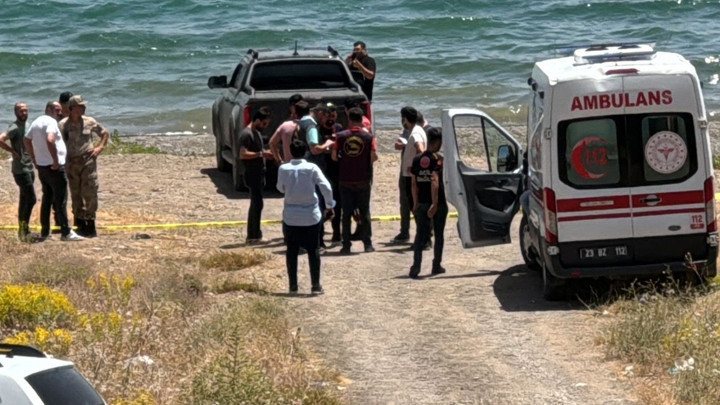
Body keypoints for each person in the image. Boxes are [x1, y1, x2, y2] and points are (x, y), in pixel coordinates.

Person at [276, 139, 335, 295]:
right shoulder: (312, 167)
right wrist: (329, 205)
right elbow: (326, 186)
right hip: (311, 215)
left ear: (291, 152)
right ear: (305, 152)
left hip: (291, 216)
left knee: (291, 252)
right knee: (313, 251)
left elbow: (280, 188)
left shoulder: (283, 168)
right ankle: (315, 285)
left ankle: (293, 286)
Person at [24, 101, 84, 241]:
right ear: (49, 110)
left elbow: (27, 140)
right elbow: (50, 140)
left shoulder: (37, 121)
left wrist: (34, 158)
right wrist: (55, 160)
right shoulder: (51, 122)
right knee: (61, 199)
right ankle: (66, 232)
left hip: (43, 166)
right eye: (57, 110)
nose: (60, 113)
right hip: (54, 167)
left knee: (47, 198)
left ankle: (45, 231)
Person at [58, 95, 110, 238]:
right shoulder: (63, 124)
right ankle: (79, 222)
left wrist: (99, 148)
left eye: (83, 106)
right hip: (71, 163)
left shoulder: (89, 121)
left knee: (90, 191)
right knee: (76, 193)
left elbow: (104, 133)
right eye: (80, 106)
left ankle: (90, 222)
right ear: (71, 108)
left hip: (88, 161)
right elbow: (58, 143)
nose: (83, 108)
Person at [332, 107, 377, 254]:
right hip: (363, 179)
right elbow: (374, 157)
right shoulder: (369, 137)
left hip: (345, 179)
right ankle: (367, 244)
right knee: (365, 212)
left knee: (346, 214)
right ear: (361, 119)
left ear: (349, 119)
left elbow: (334, 157)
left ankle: (346, 245)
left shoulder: (340, 136)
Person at [409, 127, 448, 278]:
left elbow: (414, 183)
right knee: (439, 235)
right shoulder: (438, 159)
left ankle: (416, 266)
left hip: (421, 201)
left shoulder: (417, 159)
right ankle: (436, 265)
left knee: (420, 235)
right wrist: (435, 203)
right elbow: (435, 181)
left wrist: (415, 202)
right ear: (437, 142)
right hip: (437, 202)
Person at [392, 111, 431, 244]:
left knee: (416, 207)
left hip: (411, 177)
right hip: (411, 176)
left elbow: (420, 150)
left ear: (406, 120)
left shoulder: (415, 133)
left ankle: (424, 239)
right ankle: (423, 237)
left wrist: (415, 168)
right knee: (415, 207)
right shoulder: (416, 130)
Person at [0, 102, 36, 241]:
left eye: (26, 110)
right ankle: (24, 230)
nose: (24, 113)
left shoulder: (28, 125)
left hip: (29, 166)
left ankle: (23, 231)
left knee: (24, 199)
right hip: (20, 169)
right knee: (31, 199)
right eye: (21, 111)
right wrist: (12, 151)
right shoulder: (14, 127)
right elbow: (1, 139)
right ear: (16, 112)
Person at [239, 106, 274, 244]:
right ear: (258, 120)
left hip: (259, 173)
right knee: (256, 204)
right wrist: (261, 154)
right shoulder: (246, 134)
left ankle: (254, 234)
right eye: (264, 123)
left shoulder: (256, 133)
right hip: (252, 173)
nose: (265, 126)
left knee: (257, 204)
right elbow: (243, 154)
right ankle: (253, 235)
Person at [320, 103, 344, 243]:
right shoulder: (318, 129)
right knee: (321, 201)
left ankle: (337, 233)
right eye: (328, 116)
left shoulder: (339, 128)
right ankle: (320, 236)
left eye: (333, 115)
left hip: (336, 169)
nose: (331, 119)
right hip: (323, 169)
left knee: (337, 202)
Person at [269, 93, 303, 164]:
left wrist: (280, 162)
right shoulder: (310, 123)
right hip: (307, 166)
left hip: (289, 165)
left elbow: (272, 143)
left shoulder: (285, 125)